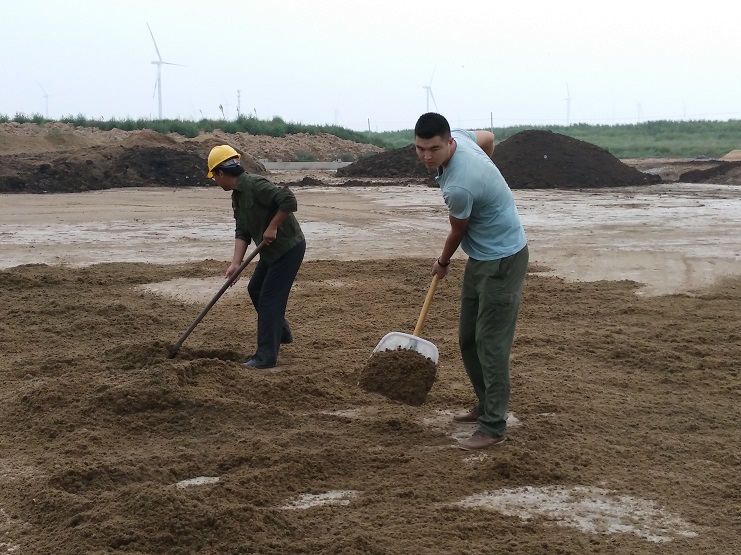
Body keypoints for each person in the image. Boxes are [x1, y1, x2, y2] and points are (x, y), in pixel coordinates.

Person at [414, 113, 529, 451]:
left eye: (434, 149)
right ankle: (485, 403)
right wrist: (488, 176)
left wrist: (442, 262)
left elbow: (457, 232)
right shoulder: (463, 138)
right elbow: (489, 137)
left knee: (490, 343)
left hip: (503, 259)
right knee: (468, 337)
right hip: (481, 257)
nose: (427, 157)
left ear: (449, 142)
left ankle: (493, 426)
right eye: (420, 149)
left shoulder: (459, 187)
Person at [207, 145, 306, 369]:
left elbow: (288, 200)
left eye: (214, 176)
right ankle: (281, 332)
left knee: (270, 298)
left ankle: (266, 357)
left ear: (221, 173)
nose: (215, 181)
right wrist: (236, 264)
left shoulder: (255, 185)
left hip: (288, 249)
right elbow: (242, 230)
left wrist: (273, 226)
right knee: (256, 289)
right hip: (270, 252)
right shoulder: (237, 196)